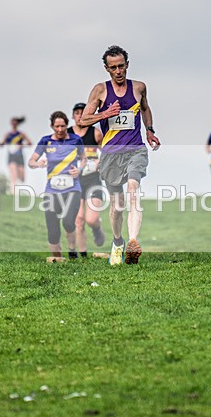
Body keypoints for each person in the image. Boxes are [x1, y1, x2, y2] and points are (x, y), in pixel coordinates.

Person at [79, 45, 161, 265]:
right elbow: (83, 120)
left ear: (127, 65)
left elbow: (145, 108)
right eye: (113, 67)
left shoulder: (139, 87)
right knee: (117, 206)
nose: (118, 71)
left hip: (135, 149)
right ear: (107, 68)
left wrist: (150, 131)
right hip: (110, 154)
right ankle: (118, 242)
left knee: (134, 188)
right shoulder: (100, 90)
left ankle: (133, 242)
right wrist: (106, 113)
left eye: (121, 66)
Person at [27, 111, 84, 259]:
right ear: (52, 126)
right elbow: (31, 161)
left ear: (67, 125)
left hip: (72, 188)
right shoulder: (46, 141)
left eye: (63, 126)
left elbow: (84, 159)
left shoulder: (76, 140)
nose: (60, 129)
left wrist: (80, 169)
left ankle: (72, 251)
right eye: (57, 126)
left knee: (68, 222)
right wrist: (38, 164)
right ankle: (57, 259)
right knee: (53, 230)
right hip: (52, 190)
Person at [69, 102, 106, 255]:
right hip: (75, 180)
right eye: (76, 113)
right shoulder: (68, 134)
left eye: (82, 112)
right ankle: (83, 254)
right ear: (73, 116)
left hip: (92, 179)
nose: (79, 115)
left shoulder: (95, 133)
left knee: (91, 219)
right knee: (79, 220)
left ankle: (97, 229)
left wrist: (100, 162)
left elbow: (107, 151)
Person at [0, 117, 31, 195]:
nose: (14, 124)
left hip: (19, 156)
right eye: (12, 123)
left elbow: (29, 143)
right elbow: (2, 144)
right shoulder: (8, 135)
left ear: (17, 124)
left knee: (22, 177)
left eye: (15, 123)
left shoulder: (21, 134)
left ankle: (19, 188)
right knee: (13, 175)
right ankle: (13, 192)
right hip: (11, 156)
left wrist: (22, 145)